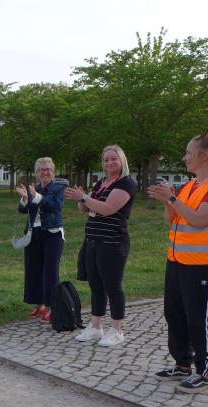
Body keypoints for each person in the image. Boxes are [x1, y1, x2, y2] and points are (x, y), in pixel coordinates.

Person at [147, 133, 208, 393]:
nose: (184, 157)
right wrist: (168, 201)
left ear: (204, 155)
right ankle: (182, 363)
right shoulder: (190, 185)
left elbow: (199, 220)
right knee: (174, 314)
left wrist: (173, 199)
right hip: (177, 262)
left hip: (204, 265)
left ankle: (204, 370)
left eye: (188, 153)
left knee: (201, 318)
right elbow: (171, 220)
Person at [65, 145, 136, 347]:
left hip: (112, 243)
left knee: (113, 287)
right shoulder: (101, 183)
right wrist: (82, 199)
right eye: (106, 159)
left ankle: (117, 330)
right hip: (93, 241)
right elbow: (84, 208)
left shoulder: (126, 183)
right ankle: (96, 327)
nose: (109, 162)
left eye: (114, 158)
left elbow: (107, 209)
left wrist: (85, 198)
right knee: (96, 286)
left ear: (122, 161)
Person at [16, 157, 66, 322]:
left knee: (50, 272)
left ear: (53, 172)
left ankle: (53, 308)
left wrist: (36, 197)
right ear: (37, 173)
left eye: (48, 169)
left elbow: (55, 206)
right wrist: (25, 199)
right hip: (34, 234)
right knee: (34, 270)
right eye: (42, 170)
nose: (45, 172)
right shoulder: (34, 188)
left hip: (52, 233)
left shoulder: (59, 187)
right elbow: (24, 211)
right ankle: (41, 306)